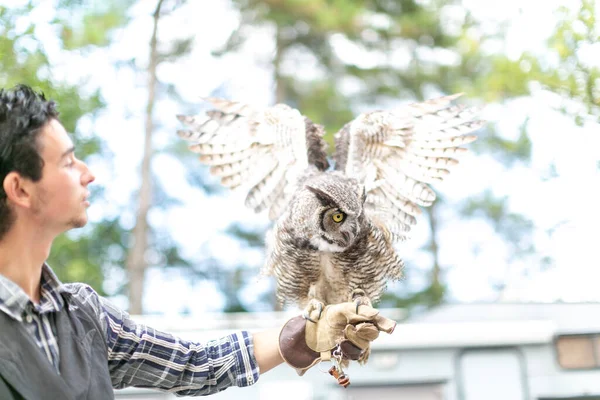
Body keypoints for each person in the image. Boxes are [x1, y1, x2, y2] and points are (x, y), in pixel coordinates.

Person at [0, 84, 395, 399]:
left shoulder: (83, 315)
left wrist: (306, 335)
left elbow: (195, 365)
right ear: (20, 189)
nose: (88, 173)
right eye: (69, 162)